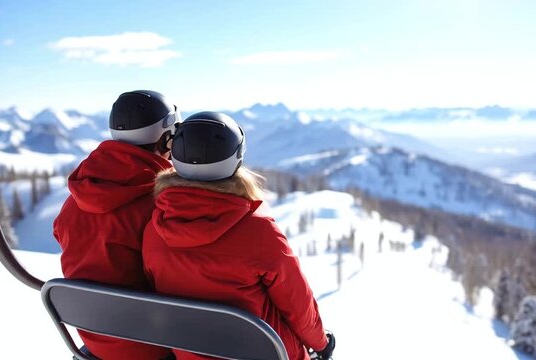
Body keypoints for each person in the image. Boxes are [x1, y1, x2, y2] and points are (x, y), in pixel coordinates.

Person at [142, 111, 335, 360]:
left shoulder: (155, 228)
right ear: (236, 159)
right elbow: (298, 306)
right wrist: (321, 343)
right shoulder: (259, 232)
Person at [53, 90, 180, 360]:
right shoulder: (162, 204)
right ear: (167, 138)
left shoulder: (78, 196)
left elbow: (61, 232)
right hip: (152, 343)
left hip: (95, 338)